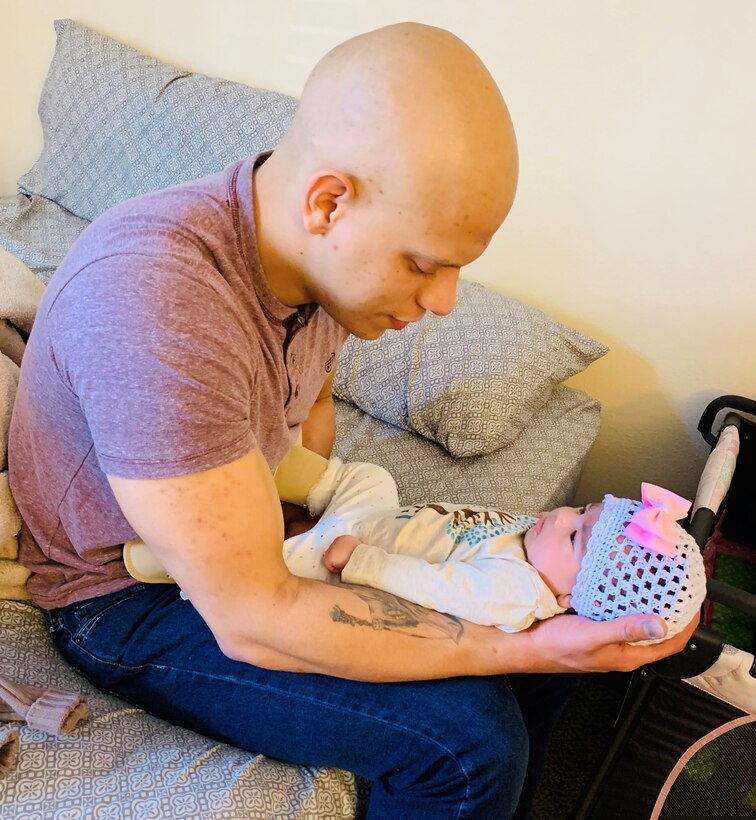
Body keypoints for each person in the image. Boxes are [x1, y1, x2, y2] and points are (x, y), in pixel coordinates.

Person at [8, 22, 698, 819]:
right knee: (473, 748)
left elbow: (310, 415)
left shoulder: (310, 273)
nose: (442, 302)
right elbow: (254, 620)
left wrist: (532, 637)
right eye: (423, 263)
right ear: (329, 201)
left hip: (252, 533)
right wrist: (517, 645)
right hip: (120, 601)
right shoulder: (161, 308)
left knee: (546, 625)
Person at [125, 453, 707, 640]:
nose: (559, 515)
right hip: (374, 518)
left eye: (576, 534)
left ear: (580, 596)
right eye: (580, 510)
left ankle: (171, 561)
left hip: (344, 557)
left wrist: (361, 560)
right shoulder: (538, 543)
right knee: (371, 474)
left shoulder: (516, 592)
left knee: (280, 561)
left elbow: (433, 586)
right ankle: (272, 464)